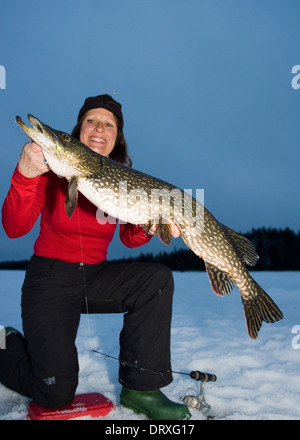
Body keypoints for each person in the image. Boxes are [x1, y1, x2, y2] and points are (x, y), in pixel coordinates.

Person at [0, 94, 191, 420]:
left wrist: (151, 223)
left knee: (156, 280)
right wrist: (24, 173)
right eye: (91, 120)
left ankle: (141, 389)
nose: (99, 128)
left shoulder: (119, 178)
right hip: (49, 279)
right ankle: (5, 343)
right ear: (78, 130)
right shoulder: (51, 170)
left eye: (109, 123)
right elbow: (14, 228)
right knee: (53, 392)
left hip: (94, 276)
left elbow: (129, 239)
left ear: (117, 135)